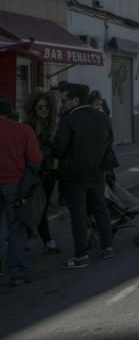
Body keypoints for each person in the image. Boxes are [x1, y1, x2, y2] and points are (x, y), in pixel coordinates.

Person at [54, 83, 116, 269]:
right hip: (97, 172)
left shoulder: (69, 120)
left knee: (78, 216)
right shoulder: (102, 117)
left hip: (74, 175)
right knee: (100, 210)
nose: (62, 104)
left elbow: (59, 149)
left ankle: (81, 255)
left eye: (64, 100)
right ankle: (108, 247)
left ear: (75, 100)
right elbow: (110, 141)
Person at [0, 94, 43, 285]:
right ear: (9, 112)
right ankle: (16, 270)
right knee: (15, 228)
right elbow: (36, 158)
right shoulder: (23, 131)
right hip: (14, 184)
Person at [22, 90, 61, 254]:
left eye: (46, 107)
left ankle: (46, 241)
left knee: (42, 208)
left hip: (49, 174)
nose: (44, 110)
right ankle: (29, 239)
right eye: (40, 107)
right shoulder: (27, 127)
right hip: (31, 175)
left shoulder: (53, 126)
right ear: (34, 109)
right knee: (31, 208)